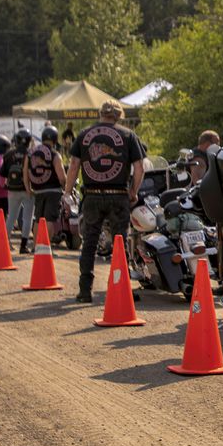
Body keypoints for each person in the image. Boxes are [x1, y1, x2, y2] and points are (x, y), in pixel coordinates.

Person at [64, 100, 145, 303]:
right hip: (118, 195)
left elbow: (73, 165)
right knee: (120, 244)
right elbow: (139, 168)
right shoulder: (128, 135)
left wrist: (67, 193)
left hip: (91, 194)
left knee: (89, 243)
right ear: (118, 116)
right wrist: (133, 191)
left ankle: (84, 291)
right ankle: (121, 289)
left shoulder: (83, 135)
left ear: (100, 114)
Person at [25, 126, 67, 242]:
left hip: (37, 190)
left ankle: (35, 246)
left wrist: (28, 189)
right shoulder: (55, 154)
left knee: (38, 219)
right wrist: (66, 188)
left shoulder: (31, 153)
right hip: (53, 191)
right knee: (49, 219)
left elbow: (26, 172)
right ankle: (46, 246)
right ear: (54, 139)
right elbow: (61, 176)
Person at [1, 130, 36, 253]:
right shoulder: (31, 154)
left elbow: (2, 172)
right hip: (28, 190)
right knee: (27, 218)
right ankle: (23, 246)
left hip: (12, 189)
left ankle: (5, 243)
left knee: (11, 217)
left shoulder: (9, 154)